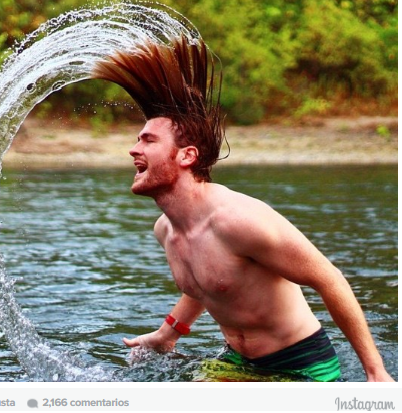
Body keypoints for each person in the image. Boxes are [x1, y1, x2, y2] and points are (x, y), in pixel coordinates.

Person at [91, 35, 393, 382]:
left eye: (148, 140)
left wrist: (376, 373)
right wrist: (167, 334)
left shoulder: (240, 221)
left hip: (302, 364)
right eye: (137, 139)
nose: (133, 149)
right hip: (237, 360)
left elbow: (330, 279)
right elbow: (205, 286)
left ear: (186, 156)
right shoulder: (166, 229)